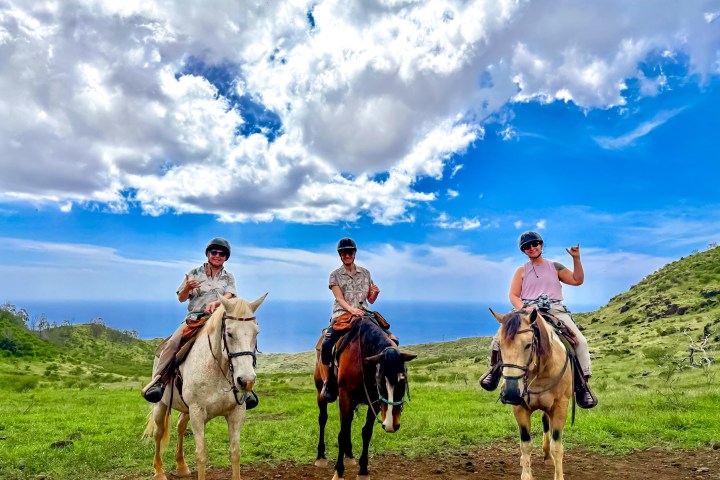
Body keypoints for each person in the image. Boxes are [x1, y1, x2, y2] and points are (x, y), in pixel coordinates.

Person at [479, 231, 597, 408]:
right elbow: (513, 295)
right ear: (523, 251)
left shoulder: (555, 266)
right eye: (526, 246)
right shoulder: (521, 271)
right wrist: (525, 308)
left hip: (554, 309)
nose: (531, 248)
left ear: (541, 245)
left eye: (534, 244)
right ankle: (494, 372)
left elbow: (576, 280)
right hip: (526, 309)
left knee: (581, 341)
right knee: (499, 338)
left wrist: (576, 259)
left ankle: (582, 386)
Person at [142, 238, 258, 409]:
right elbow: (181, 298)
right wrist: (188, 288)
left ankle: (245, 388)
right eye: (214, 252)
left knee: (239, 343)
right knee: (172, 344)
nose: (218, 256)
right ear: (208, 254)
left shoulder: (228, 277)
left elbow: (230, 295)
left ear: (226, 257)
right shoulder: (195, 272)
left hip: (218, 319)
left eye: (222, 253)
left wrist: (218, 303)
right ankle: (158, 382)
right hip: (195, 318)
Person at [320, 237, 381, 402]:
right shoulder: (335, 275)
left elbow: (371, 299)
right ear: (340, 255)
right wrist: (352, 310)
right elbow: (339, 298)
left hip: (364, 314)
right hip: (342, 313)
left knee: (388, 339)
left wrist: (374, 293)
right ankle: (329, 381)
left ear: (354, 253)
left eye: (350, 252)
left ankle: (382, 379)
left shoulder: (366, 273)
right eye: (344, 252)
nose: (347, 255)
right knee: (326, 345)